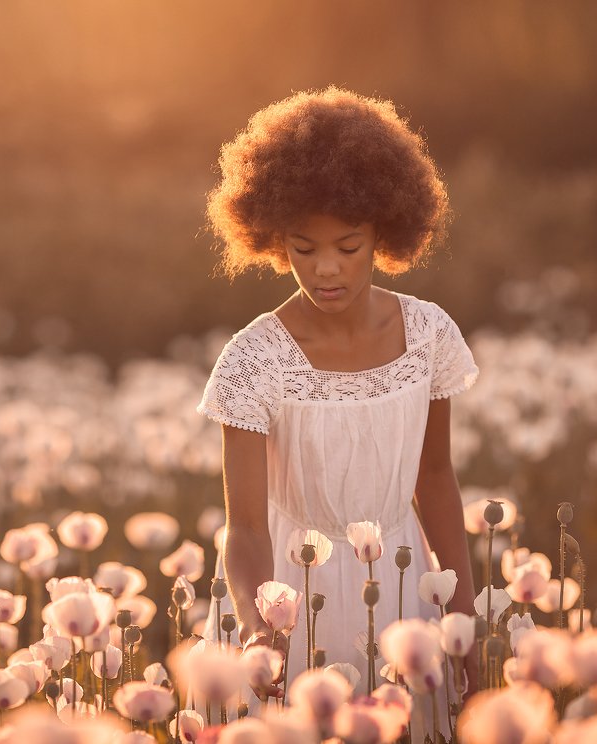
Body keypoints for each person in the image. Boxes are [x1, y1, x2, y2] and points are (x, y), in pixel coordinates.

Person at [196, 86, 479, 727]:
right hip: (289, 597)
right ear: (274, 239)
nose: (326, 269)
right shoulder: (253, 359)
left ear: (384, 233)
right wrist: (259, 627)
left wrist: (462, 613)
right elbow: (245, 527)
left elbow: (436, 478)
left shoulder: (428, 335)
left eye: (348, 247)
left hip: (404, 585)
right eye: (304, 248)